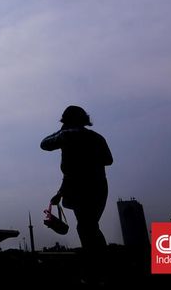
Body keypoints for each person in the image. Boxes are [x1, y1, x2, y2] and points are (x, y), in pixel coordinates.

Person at [40, 105, 113, 283]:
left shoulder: (66, 135)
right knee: (90, 226)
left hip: (81, 188)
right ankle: (100, 269)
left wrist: (65, 131)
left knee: (86, 227)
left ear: (65, 121)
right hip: (98, 186)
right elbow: (108, 160)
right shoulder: (96, 137)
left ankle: (99, 272)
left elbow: (44, 144)